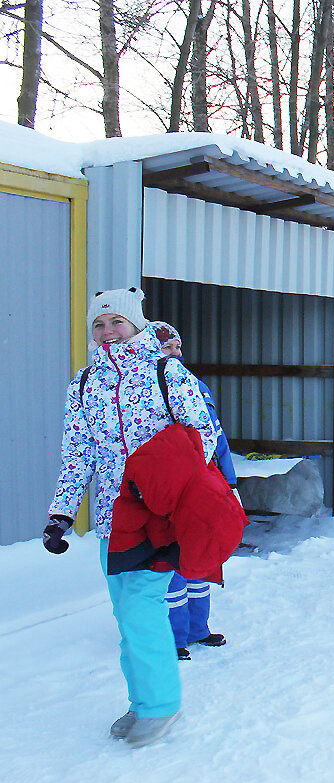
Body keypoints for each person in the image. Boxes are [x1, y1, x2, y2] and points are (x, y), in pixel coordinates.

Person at [43, 287, 220, 747]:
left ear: (136, 325)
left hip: (158, 515)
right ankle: (142, 701)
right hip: (110, 519)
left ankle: (161, 706)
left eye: (116, 322)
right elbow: (77, 453)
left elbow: (202, 434)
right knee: (127, 613)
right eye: (98, 324)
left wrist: (155, 477)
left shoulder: (166, 372)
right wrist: (62, 513)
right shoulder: (83, 384)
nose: (107, 332)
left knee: (142, 608)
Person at [151, 321, 235, 659]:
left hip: (203, 486)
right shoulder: (146, 389)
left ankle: (199, 629)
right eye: (166, 348)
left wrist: (229, 482)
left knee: (200, 557)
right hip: (169, 490)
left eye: (177, 348)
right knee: (171, 561)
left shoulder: (195, 386)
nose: (175, 354)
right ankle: (175, 637)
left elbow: (217, 437)